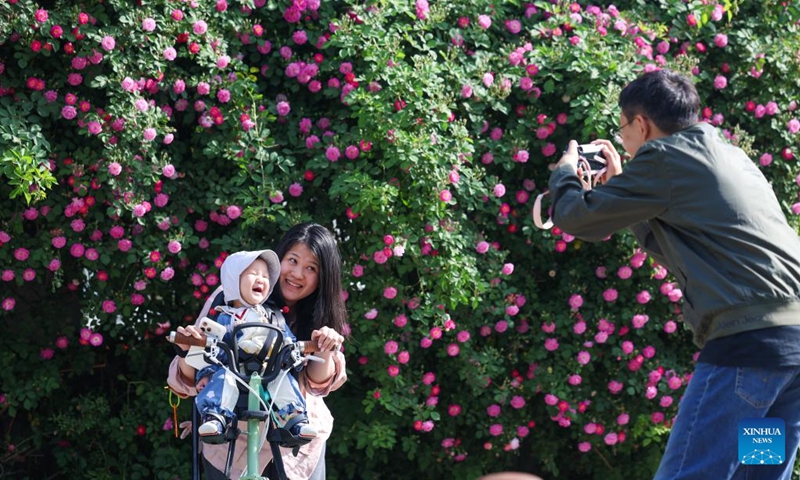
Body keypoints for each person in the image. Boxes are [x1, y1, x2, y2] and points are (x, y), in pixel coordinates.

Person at [548, 69, 800, 479]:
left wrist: (564, 173)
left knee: (690, 473)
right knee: (758, 473)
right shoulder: (729, 154)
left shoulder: (662, 158)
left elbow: (578, 216)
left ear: (641, 124)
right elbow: (679, 243)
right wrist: (623, 184)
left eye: (623, 128)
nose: (624, 139)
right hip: (790, 356)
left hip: (749, 349)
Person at [168, 223, 348, 479]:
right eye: (293, 260)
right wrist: (188, 351)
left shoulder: (320, 315)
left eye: (311, 268)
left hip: (296, 447)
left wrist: (326, 348)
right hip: (232, 442)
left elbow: (318, 383)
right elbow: (189, 374)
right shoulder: (230, 298)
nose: (297, 274)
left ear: (323, 277)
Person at [188, 249, 317, 444]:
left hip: (269, 369)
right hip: (235, 369)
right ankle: (215, 417)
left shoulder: (272, 316)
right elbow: (211, 348)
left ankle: (295, 419)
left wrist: (295, 352)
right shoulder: (225, 317)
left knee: (283, 381)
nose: (261, 280)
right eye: (254, 274)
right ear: (234, 280)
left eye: (266, 276)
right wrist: (205, 373)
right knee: (223, 380)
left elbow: (286, 338)